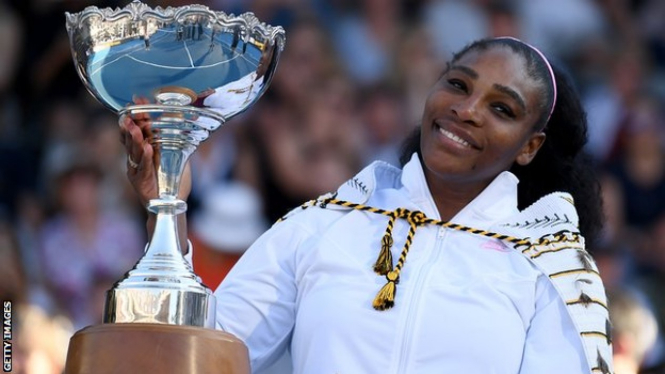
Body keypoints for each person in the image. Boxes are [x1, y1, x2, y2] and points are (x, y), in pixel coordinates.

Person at [120, 36, 612, 373]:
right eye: (458, 85)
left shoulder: (551, 267)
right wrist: (167, 207)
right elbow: (207, 349)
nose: (466, 110)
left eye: (501, 109)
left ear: (530, 146)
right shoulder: (328, 222)